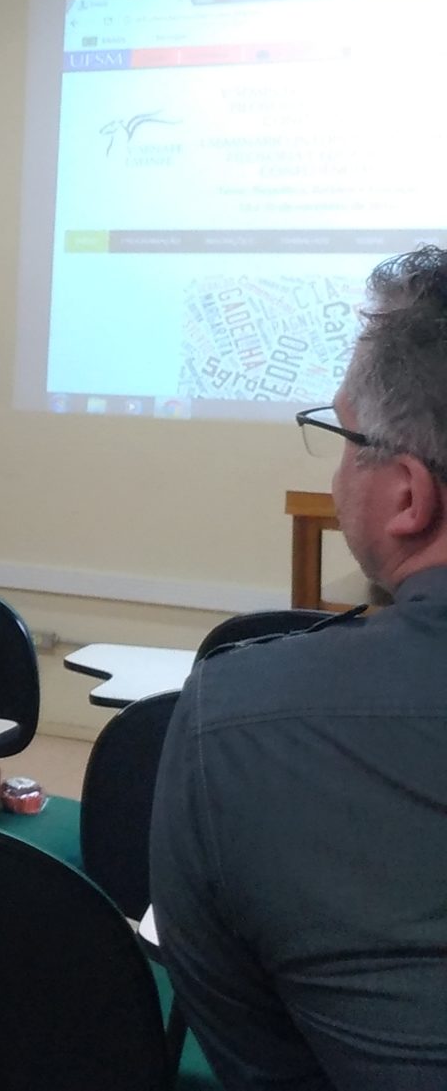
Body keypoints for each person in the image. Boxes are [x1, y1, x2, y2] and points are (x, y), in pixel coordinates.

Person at [150, 246, 447, 1090]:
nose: (338, 465)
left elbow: (250, 1047)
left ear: (407, 496)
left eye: (345, 437)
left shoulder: (237, 725)